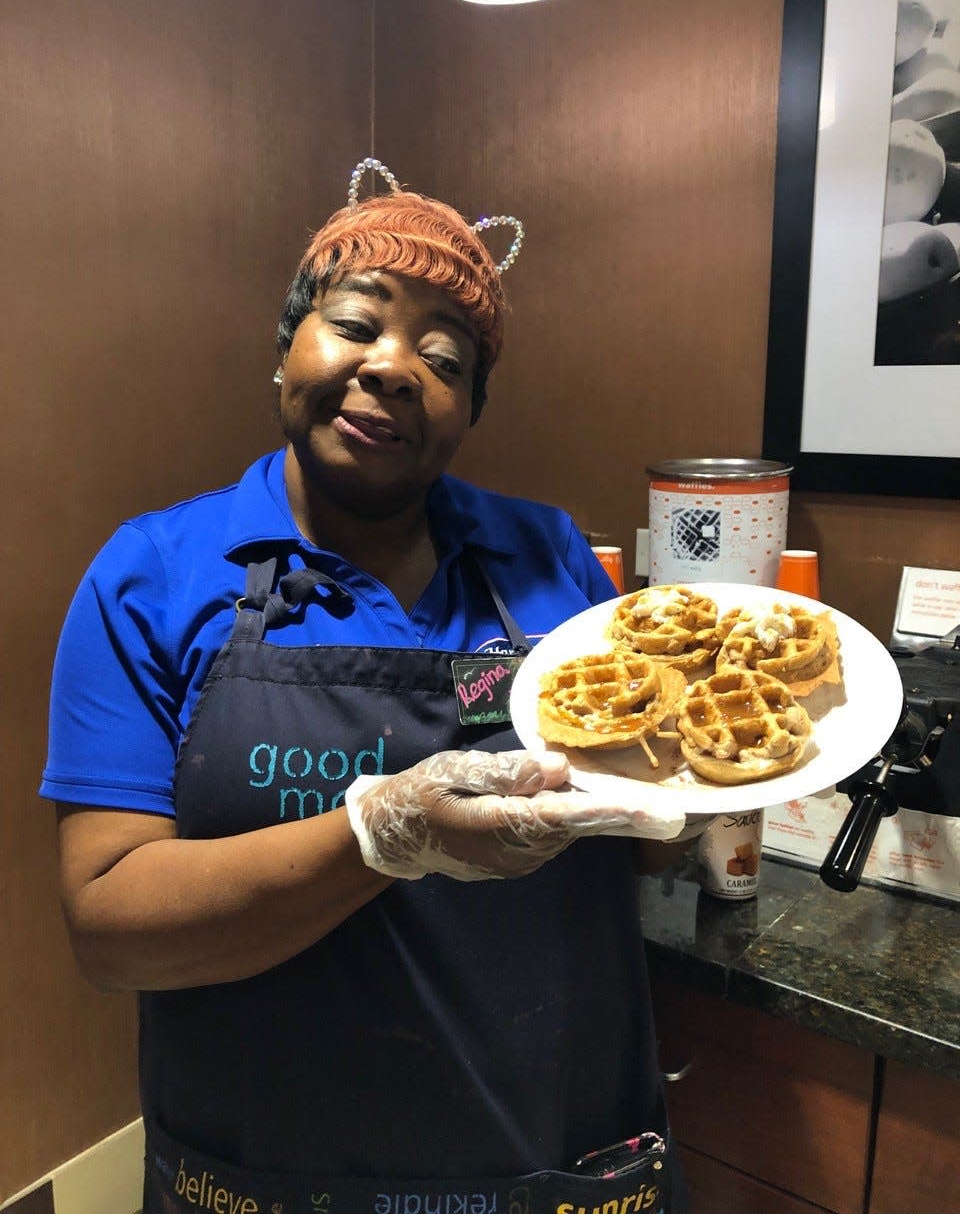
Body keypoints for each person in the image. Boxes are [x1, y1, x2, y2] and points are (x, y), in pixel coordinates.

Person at [41, 158, 693, 1213]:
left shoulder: (548, 557)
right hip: (265, 1173)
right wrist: (382, 832)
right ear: (285, 347)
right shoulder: (151, 576)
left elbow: (642, 784)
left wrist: (702, 796)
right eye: (355, 323)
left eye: (444, 357)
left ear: (469, 407)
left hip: (548, 1156)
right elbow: (108, 923)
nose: (395, 367)